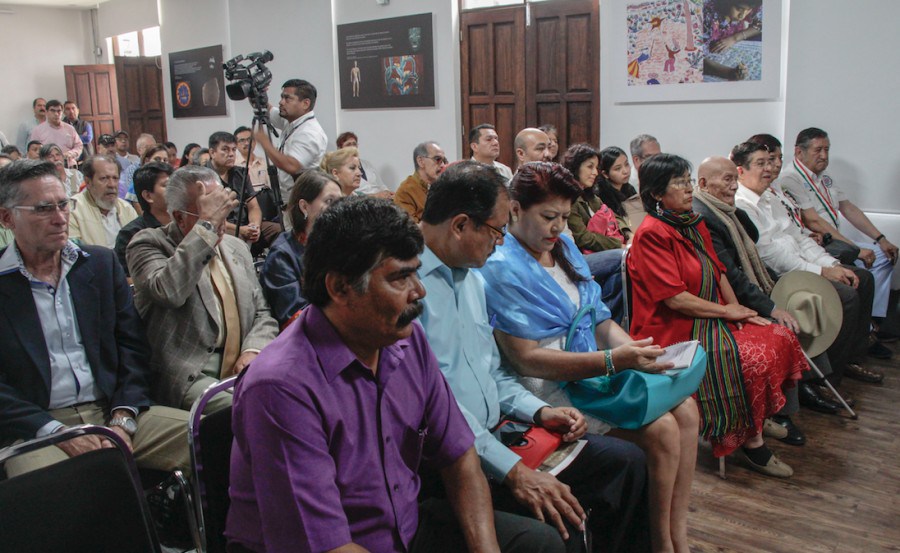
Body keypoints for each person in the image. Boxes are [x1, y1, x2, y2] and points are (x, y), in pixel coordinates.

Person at [226, 196, 558, 553]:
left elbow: (459, 456)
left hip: (404, 529)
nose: (419, 291)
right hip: (334, 545)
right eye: (400, 277)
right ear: (339, 287)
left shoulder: (404, 339)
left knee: (538, 543)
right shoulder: (282, 387)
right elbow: (324, 544)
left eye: (416, 271)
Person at [419, 161, 651, 552]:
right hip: (452, 460)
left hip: (502, 433)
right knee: (560, 527)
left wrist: (539, 412)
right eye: (496, 230)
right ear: (460, 225)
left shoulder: (472, 278)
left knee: (627, 464)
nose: (500, 242)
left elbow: (492, 372)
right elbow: (436, 410)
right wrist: (512, 472)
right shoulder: (411, 292)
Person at [479, 161, 698, 551]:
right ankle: (659, 542)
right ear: (514, 209)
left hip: (589, 368)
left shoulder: (563, 248)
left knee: (687, 410)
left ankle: (676, 533)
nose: (559, 227)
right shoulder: (500, 266)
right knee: (663, 430)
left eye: (564, 216)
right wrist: (616, 360)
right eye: (548, 217)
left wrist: (640, 353)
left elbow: (598, 319)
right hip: (549, 387)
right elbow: (527, 359)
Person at [0, 159, 190, 478]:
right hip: (35, 425)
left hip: (110, 410)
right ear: (7, 217)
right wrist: (55, 431)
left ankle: (204, 527)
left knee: (205, 435)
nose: (61, 218)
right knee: (45, 488)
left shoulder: (98, 265)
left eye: (64, 205)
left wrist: (123, 416)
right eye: (44, 209)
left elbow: (132, 346)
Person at [627, 153, 806, 477]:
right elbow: (676, 300)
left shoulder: (692, 223)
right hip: (672, 328)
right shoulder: (652, 233)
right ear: (656, 193)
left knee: (778, 334)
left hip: (707, 315)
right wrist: (726, 311)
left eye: (689, 181)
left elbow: (719, 271)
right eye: (679, 183)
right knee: (751, 356)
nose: (688, 189)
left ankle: (758, 418)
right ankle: (751, 443)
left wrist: (739, 314)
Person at [126, 165, 278, 412]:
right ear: (179, 217)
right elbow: (169, 291)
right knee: (250, 410)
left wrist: (253, 350)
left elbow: (262, 312)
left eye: (224, 212)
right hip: (191, 371)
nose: (221, 223)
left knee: (297, 397)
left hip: (242, 363)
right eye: (211, 212)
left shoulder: (235, 247)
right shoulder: (148, 243)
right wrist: (206, 226)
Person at [732, 142, 883, 387]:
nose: (770, 168)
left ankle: (850, 359)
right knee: (845, 296)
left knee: (862, 278)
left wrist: (831, 264)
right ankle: (825, 380)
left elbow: (799, 238)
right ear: (741, 171)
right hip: (779, 276)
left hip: (800, 266)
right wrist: (821, 272)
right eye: (761, 164)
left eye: (770, 162)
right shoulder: (743, 205)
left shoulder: (770, 197)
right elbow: (770, 255)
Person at [692, 156, 809, 444]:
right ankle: (779, 412)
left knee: (798, 307)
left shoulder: (728, 212)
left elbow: (751, 250)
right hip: (719, 303)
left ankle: (806, 388)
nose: (734, 186)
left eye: (735, 179)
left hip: (743, 289)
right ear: (703, 183)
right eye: (727, 180)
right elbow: (730, 275)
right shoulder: (703, 216)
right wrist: (770, 305)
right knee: (783, 325)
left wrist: (777, 290)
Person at [777, 128, 897, 339]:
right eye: (818, 150)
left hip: (837, 240)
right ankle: (867, 327)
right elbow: (814, 221)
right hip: (821, 243)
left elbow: (848, 208)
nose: (824, 155)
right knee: (860, 267)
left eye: (827, 149)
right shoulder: (790, 178)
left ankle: (874, 320)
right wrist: (856, 248)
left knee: (884, 256)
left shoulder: (825, 177)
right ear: (799, 152)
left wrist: (881, 239)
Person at [260, 170, 342, 328]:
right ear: (304, 206)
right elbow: (294, 317)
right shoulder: (282, 255)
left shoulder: (342, 243)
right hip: (309, 339)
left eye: (340, 201)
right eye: (330, 201)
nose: (338, 209)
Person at [560, 144, 626, 322]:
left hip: (600, 252)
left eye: (596, 167)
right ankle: (604, 321)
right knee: (624, 257)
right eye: (589, 166)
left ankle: (609, 320)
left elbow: (614, 216)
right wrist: (619, 245)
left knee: (623, 272)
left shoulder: (591, 196)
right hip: (579, 257)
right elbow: (583, 238)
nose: (595, 172)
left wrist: (628, 234)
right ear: (575, 167)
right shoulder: (570, 197)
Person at [206, 131, 280, 255]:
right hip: (220, 229)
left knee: (279, 231)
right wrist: (241, 230)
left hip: (245, 225)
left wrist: (254, 226)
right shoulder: (203, 176)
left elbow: (254, 207)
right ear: (212, 152)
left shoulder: (241, 174)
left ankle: (275, 270)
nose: (231, 154)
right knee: (236, 241)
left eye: (234, 150)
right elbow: (209, 218)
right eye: (225, 150)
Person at [255, 79, 328, 202]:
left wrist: (266, 144)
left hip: (304, 205)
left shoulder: (310, 133)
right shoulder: (292, 121)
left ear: (305, 104)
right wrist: (256, 94)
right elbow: (265, 109)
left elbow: (292, 166)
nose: (281, 102)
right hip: (290, 201)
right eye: (282, 97)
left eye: (287, 98)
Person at [115, 162, 173, 276]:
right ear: (148, 196)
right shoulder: (131, 234)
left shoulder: (185, 223)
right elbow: (126, 280)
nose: (176, 189)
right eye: (167, 185)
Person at [69, 155, 138, 248]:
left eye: (115, 178)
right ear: (88, 182)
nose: (112, 185)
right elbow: (76, 254)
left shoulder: (126, 209)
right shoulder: (73, 210)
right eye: (104, 178)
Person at [394, 141, 448, 222]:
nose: (443, 165)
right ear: (421, 161)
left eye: (444, 160)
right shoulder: (405, 192)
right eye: (438, 159)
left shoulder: (445, 186)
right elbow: (411, 229)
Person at [596, 146, 639, 241]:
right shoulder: (600, 194)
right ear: (605, 174)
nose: (625, 171)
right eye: (618, 168)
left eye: (626, 164)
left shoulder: (629, 189)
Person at [337, 131, 392, 198]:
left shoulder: (367, 164)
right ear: (340, 149)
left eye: (354, 144)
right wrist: (375, 196)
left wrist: (387, 192)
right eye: (348, 144)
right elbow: (349, 196)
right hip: (364, 203)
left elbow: (381, 185)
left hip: (381, 200)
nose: (352, 147)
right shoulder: (341, 169)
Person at [28, 100, 82, 166]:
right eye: (53, 111)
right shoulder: (38, 130)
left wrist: (70, 153)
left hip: (69, 165)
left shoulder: (70, 128)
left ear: (62, 112)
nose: (56, 114)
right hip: (48, 167)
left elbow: (79, 146)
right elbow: (34, 151)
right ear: (46, 112)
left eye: (59, 111)